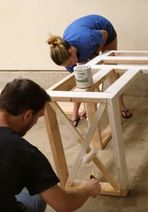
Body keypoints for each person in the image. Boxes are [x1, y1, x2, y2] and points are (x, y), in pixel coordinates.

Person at [0, 78, 101, 211]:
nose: (36, 123)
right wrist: (87, 190)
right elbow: (64, 204)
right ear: (28, 115)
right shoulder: (25, 152)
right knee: (39, 191)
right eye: (38, 117)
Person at [47, 14, 132, 127]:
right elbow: (79, 82)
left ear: (72, 52)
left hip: (105, 31)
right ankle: (80, 110)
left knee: (111, 69)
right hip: (86, 42)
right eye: (67, 65)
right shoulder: (66, 56)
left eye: (70, 63)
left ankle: (122, 106)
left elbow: (104, 34)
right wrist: (76, 113)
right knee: (82, 78)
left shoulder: (86, 39)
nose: (70, 65)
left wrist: (97, 54)